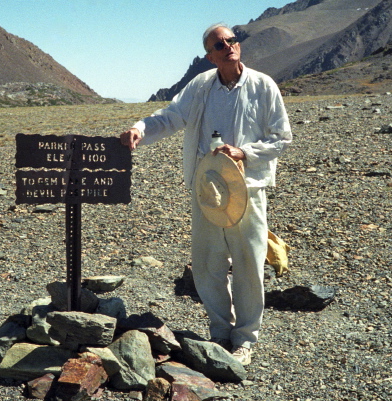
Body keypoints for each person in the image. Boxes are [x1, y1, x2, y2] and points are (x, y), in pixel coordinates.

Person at [120, 23, 292, 365]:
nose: (228, 45)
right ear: (210, 56)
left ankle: (245, 338)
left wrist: (244, 152)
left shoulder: (262, 86)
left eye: (231, 40)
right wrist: (140, 128)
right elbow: (171, 117)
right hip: (207, 189)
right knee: (208, 262)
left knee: (248, 262)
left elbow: (281, 137)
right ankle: (219, 331)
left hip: (248, 190)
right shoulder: (201, 87)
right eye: (219, 44)